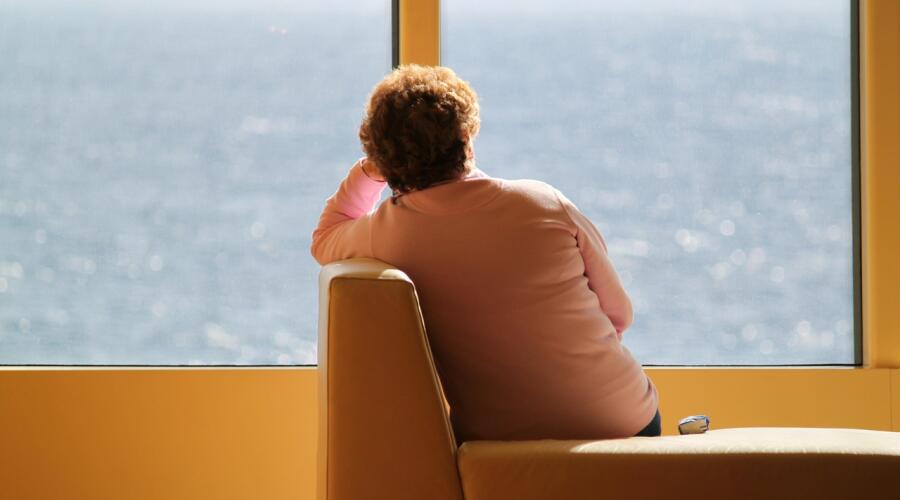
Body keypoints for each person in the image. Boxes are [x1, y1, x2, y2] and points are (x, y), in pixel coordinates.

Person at [311, 65, 660, 441]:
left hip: (498, 442)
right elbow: (619, 315)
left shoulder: (387, 234)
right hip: (625, 423)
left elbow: (325, 237)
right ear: (466, 136)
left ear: (383, 158)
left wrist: (368, 172)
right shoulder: (543, 202)